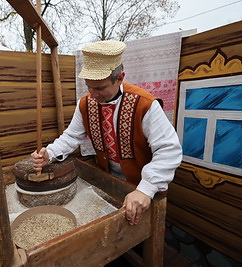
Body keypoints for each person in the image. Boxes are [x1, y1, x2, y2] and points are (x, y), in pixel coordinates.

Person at [31, 40, 182, 225]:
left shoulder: (146, 104)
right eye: (89, 87)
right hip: (109, 182)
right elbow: (72, 136)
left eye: (100, 88)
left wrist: (146, 188)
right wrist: (51, 153)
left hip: (143, 185)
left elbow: (169, 150)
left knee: (145, 232)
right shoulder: (86, 103)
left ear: (120, 78)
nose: (92, 94)